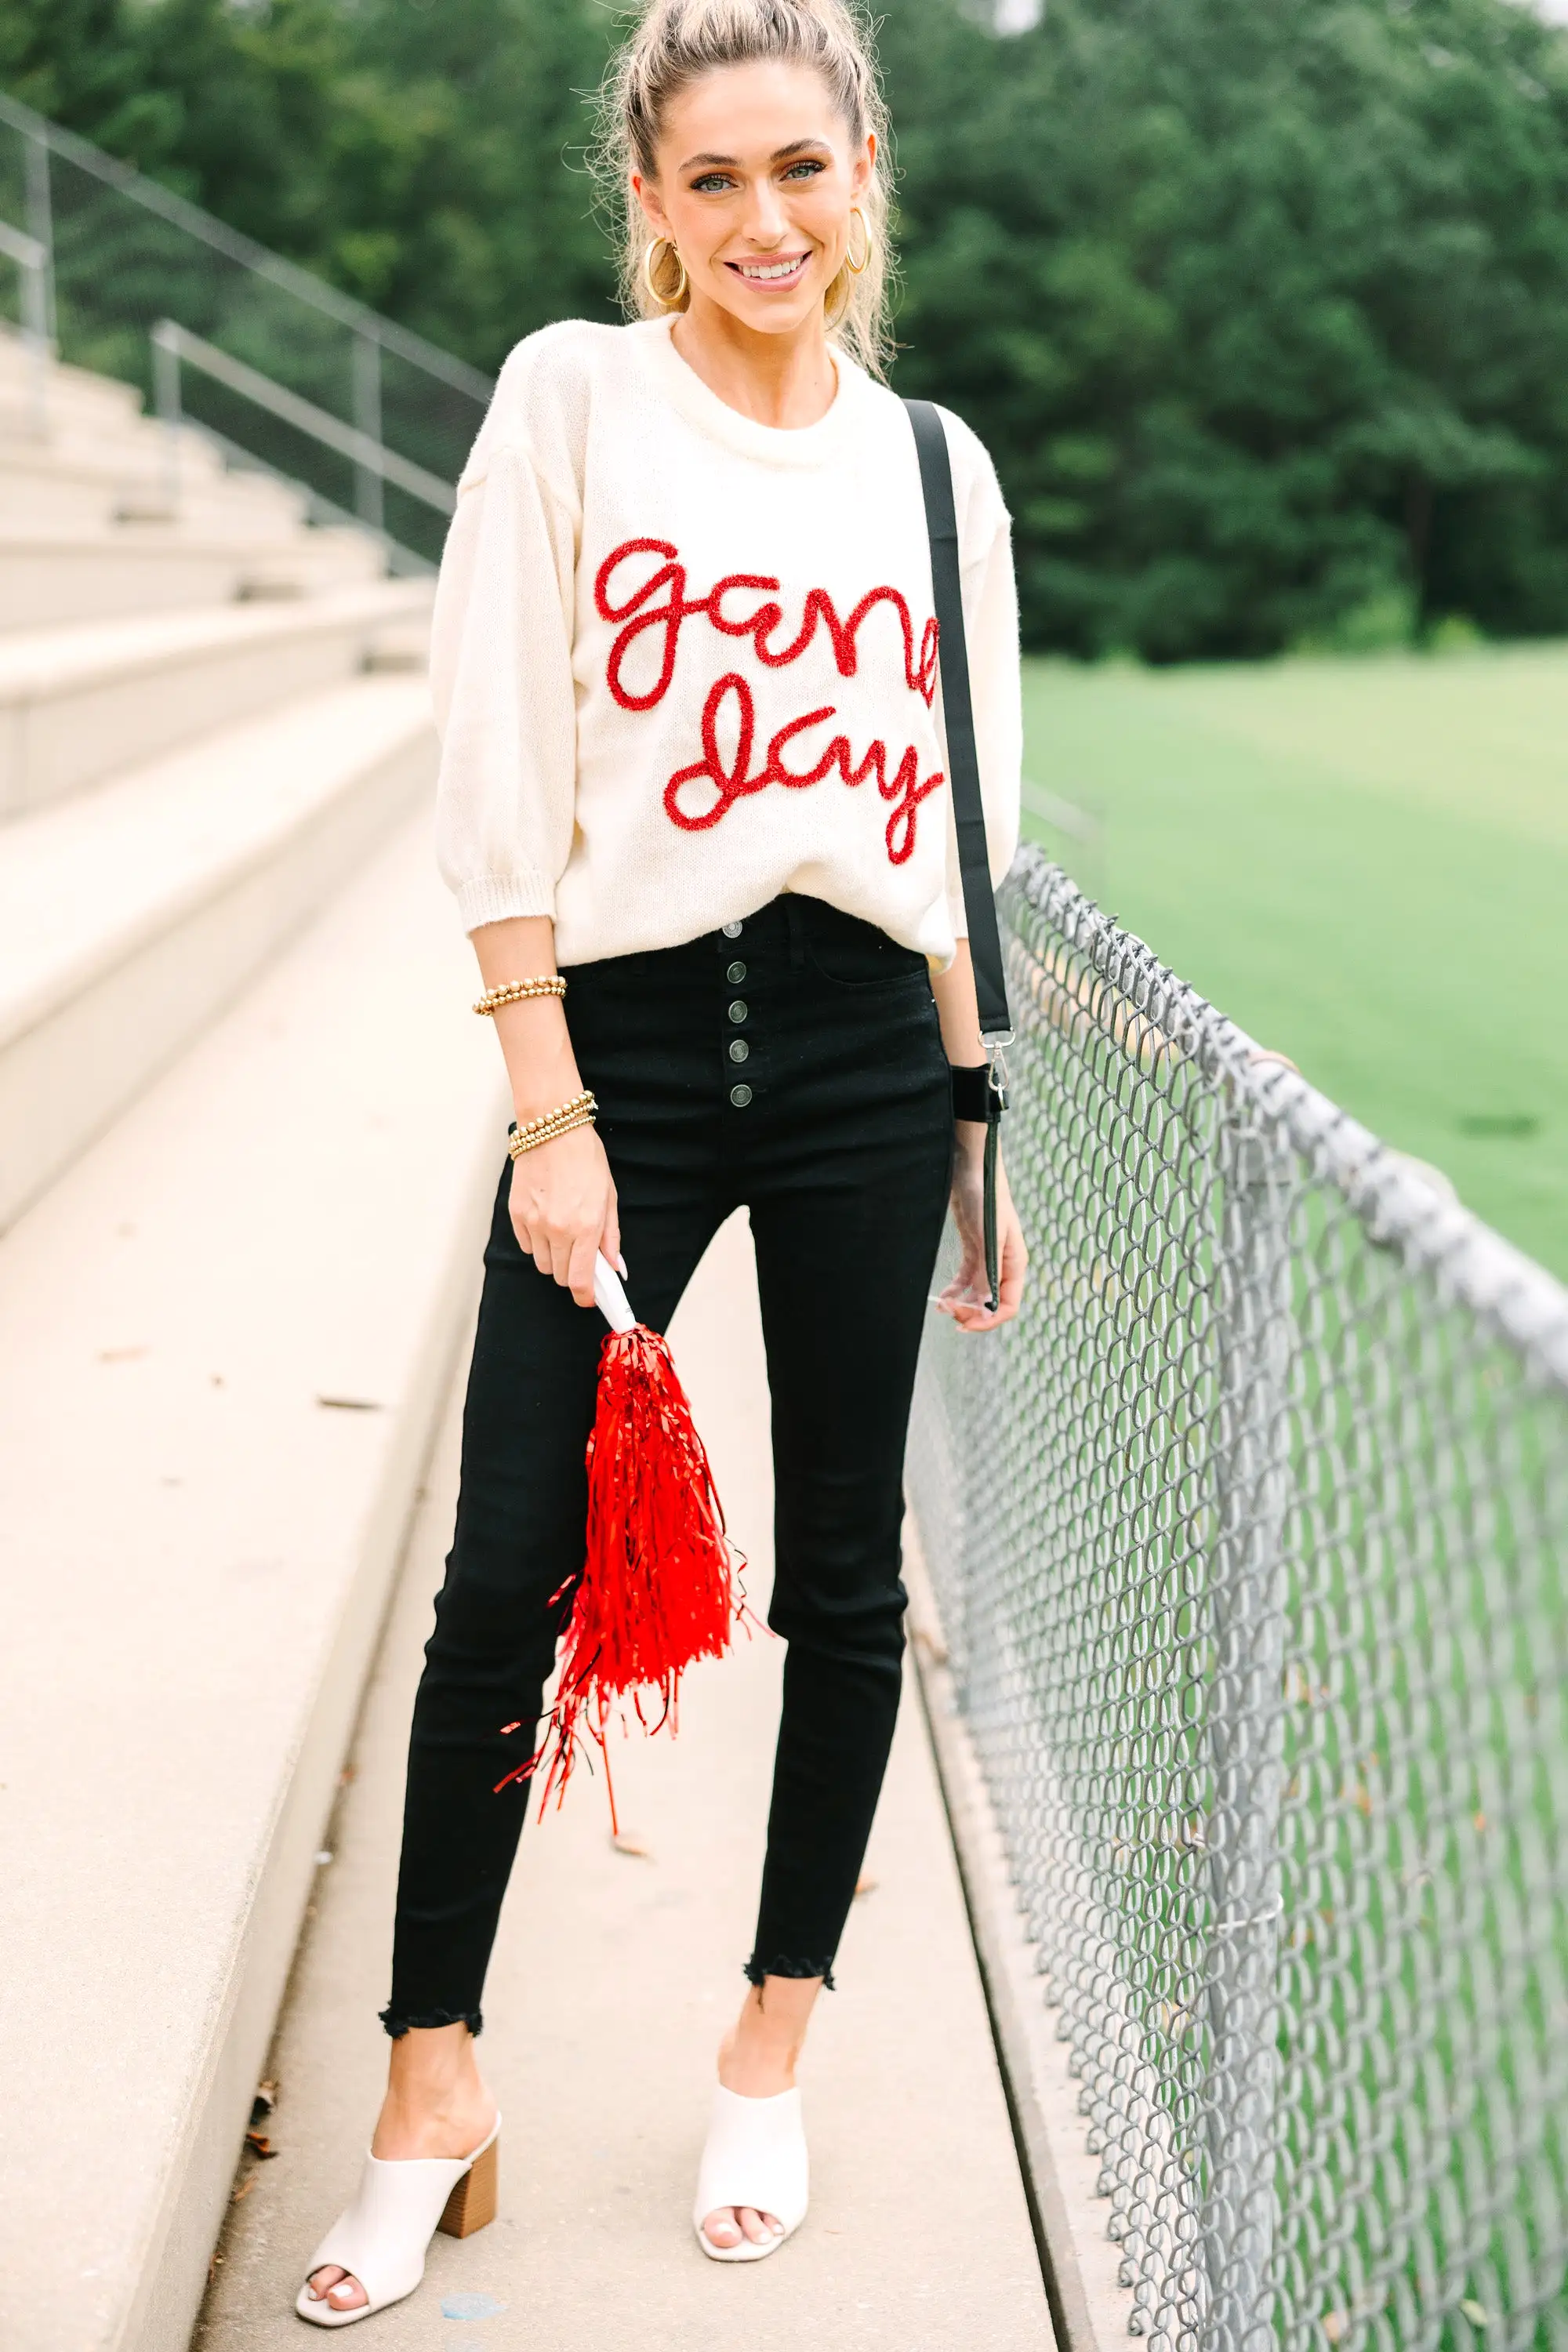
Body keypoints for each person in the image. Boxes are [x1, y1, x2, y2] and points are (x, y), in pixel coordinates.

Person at [297, 0, 1027, 2321]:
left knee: (839, 1579)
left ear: (865, 176)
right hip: (616, 1038)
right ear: (646, 199)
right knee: (511, 1557)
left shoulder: (934, 471)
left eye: (798, 171)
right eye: (710, 181)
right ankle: (434, 2080)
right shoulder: (576, 401)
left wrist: (976, 1121)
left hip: (857, 1060)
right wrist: (548, 1110)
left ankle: (772, 2037)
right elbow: (496, 751)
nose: (762, 224)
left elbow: (962, 829)